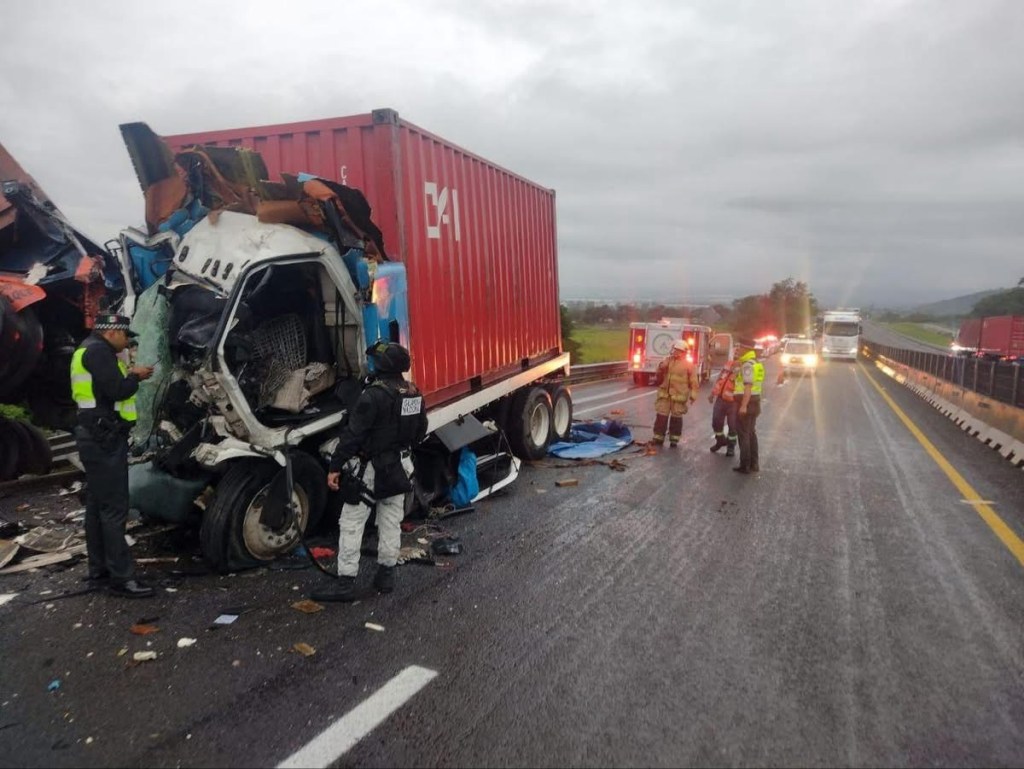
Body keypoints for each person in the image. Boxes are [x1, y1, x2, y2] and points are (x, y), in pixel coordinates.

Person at [312, 341, 428, 602]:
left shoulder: (372, 396)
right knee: (390, 520)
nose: (371, 364)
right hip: (400, 467)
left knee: (352, 522)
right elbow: (420, 432)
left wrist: (335, 466)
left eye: (375, 361)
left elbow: (353, 436)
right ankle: (386, 575)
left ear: (383, 366)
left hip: (371, 470)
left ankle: (345, 582)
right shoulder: (413, 393)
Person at [70, 313, 154, 597]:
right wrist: (135, 376)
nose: (128, 341)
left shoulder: (86, 349)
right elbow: (118, 391)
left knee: (97, 507)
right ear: (112, 332)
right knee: (114, 509)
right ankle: (122, 579)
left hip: (94, 436)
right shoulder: (99, 352)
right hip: (104, 439)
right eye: (126, 335)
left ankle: (100, 572)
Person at [651, 338, 699, 448]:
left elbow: (694, 381)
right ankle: (658, 437)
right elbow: (658, 374)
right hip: (665, 395)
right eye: (674, 349)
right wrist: (661, 366)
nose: (675, 352)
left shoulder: (689, 365)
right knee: (661, 416)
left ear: (683, 352)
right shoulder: (668, 361)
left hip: (679, 397)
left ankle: (674, 439)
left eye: (677, 350)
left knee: (676, 418)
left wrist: (693, 394)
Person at [732, 337, 765, 475]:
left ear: (746, 349)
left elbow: (748, 387)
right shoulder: (756, 363)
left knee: (744, 434)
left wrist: (743, 406)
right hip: (755, 402)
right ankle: (754, 464)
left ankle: (745, 465)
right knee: (751, 433)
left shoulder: (747, 365)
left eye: (739, 347)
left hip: (747, 402)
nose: (737, 349)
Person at [707, 354, 738, 457]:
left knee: (732, 426)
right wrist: (712, 394)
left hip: (734, 402)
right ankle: (720, 441)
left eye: (739, 351)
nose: (736, 353)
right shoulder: (728, 364)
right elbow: (720, 379)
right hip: (720, 399)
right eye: (736, 351)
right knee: (716, 422)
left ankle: (731, 447)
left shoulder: (743, 367)